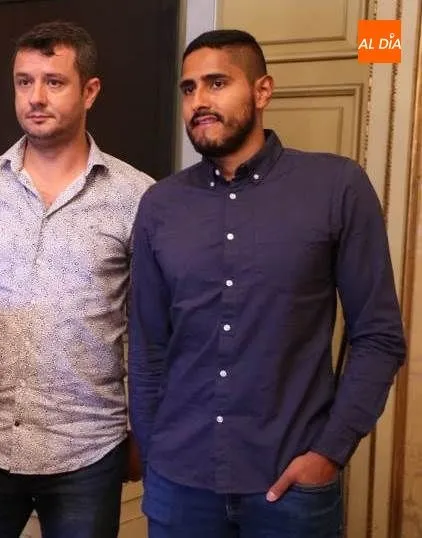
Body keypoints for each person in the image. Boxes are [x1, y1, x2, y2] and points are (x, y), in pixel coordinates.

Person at [128, 29, 406, 538]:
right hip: (179, 483)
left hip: (291, 486)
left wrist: (329, 452)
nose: (199, 102)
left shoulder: (336, 186)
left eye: (217, 83)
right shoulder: (160, 206)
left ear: (262, 91)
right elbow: (148, 345)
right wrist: (155, 449)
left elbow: (379, 337)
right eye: (189, 88)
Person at [0, 20, 153, 538]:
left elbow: (150, 326)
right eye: (24, 81)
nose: (36, 97)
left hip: (86, 446)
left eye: (54, 82)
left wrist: (142, 431)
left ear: (90, 91)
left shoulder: (137, 196)